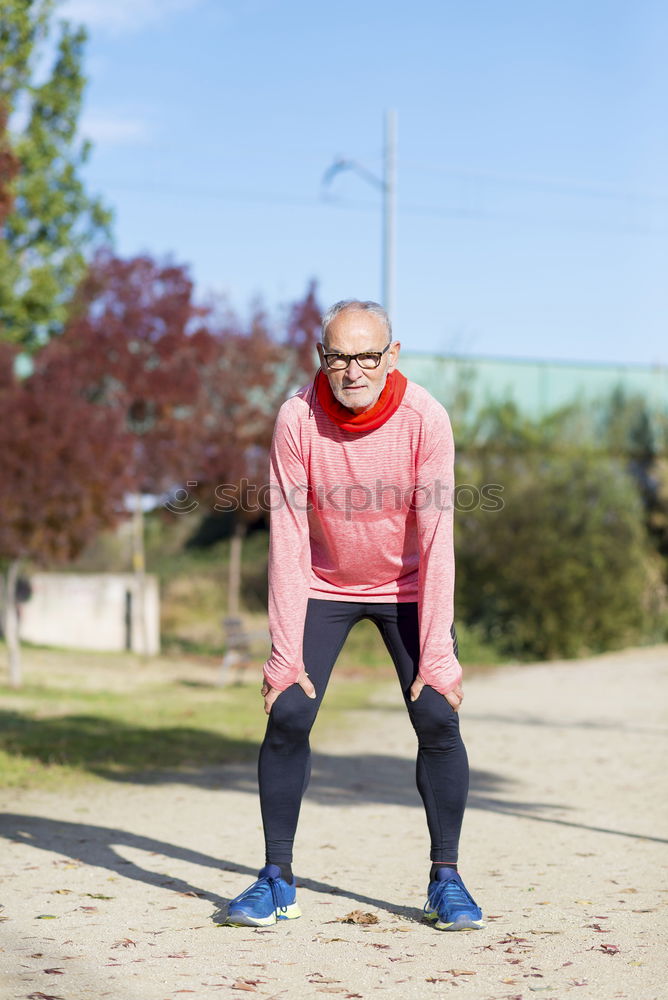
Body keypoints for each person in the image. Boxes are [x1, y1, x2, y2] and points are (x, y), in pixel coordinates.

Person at [226, 300, 483, 931]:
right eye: (339, 355)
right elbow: (286, 534)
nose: (353, 369)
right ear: (322, 356)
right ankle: (276, 879)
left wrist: (440, 654)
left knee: (434, 710)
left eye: (367, 355)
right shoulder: (297, 418)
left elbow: (437, 535)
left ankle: (445, 878)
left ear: (391, 356)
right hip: (326, 582)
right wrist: (284, 652)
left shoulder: (426, 418)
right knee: (288, 709)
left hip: (409, 585)